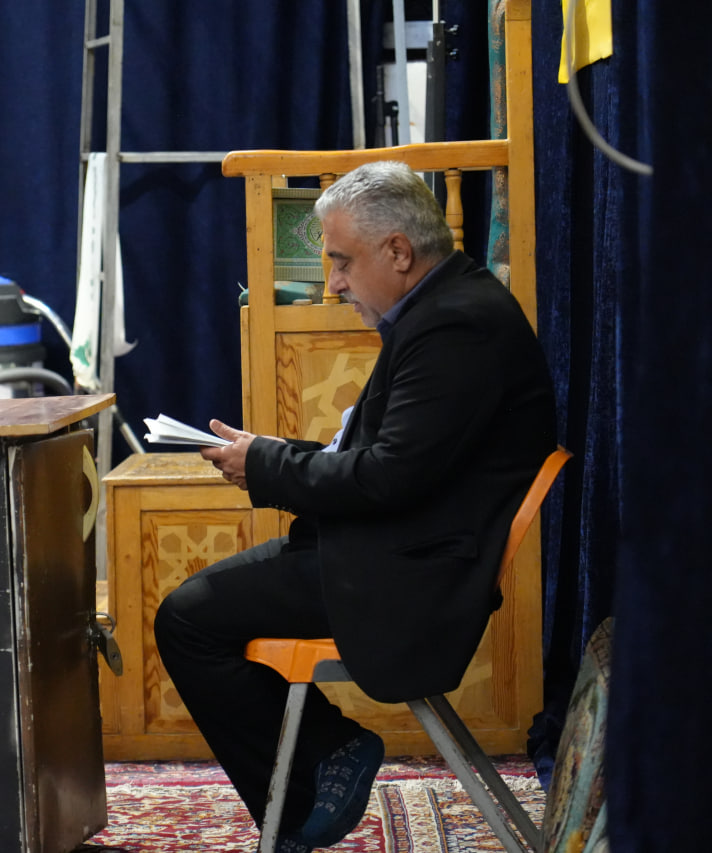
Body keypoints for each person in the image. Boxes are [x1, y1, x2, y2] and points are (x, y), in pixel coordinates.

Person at [153, 161, 557, 852]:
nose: (335, 282)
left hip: (413, 574)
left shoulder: (455, 326)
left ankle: (317, 774)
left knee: (188, 621)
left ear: (398, 251)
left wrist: (267, 465)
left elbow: (387, 478)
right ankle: (316, 772)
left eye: (341, 261)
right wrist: (269, 454)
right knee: (198, 608)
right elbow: (392, 462)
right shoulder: (448, 308)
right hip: (398, 545)